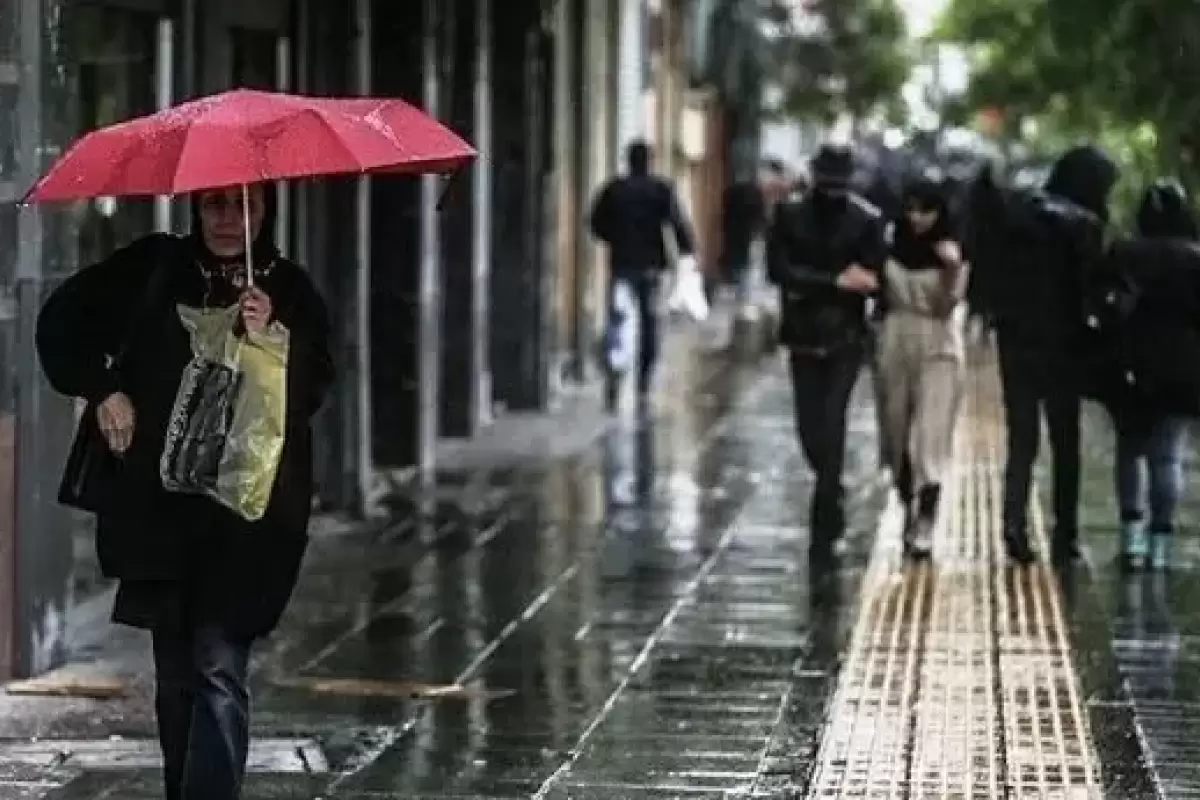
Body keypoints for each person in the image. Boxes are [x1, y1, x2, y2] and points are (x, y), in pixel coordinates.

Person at [36, 183, 333, 800]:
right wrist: (103, 389)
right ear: (196, 209)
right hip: (159, 514)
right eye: (214, 205)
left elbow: (312, 392)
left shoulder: (289, 290)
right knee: (175, 676)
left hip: (247, 519)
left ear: (266, 211)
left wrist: (271, 339)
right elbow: (61, 323)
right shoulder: (156, 267)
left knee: (218, 666)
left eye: (243, 206)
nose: (227, 219)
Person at [968, 145, 1117, 564]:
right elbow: (1092, 289)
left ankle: (1013, 524)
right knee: (1065, 439)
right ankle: (1064, 534)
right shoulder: (1084, 224)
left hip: (1015, 338)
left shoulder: (1018, 210)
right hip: (1064, 344)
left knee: (1022, 435)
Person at [767, 143, 887, 557]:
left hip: (846, 336)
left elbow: (874, 275)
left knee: (833, 418)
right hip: (802, 331)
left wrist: (863, 283)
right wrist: (834, 281)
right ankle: (831, 482)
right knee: (808, 426)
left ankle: (826, 512)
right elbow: (778, 270)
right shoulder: (789, 214)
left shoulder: (866, 219)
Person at [1086, 180, 1200, 570]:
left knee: (1129, 451)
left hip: (1130, 364)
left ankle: (1132, 539)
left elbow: (1099, 302)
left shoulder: (1124, 253)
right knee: (1168, 457)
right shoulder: (1194, 258)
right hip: (1185, 370)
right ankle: (1162, 544)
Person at [876, 177, 967, 559]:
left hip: (939, 344)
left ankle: (927, 517)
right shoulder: (886, 244)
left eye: (926, 210)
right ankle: (905, 497)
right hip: (895, 339)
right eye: (911, 209)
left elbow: (951, 302)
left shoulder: (953, 249)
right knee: (896, 432)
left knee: (931, 433)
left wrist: (950, 269)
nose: (917, 218)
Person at [589, 139, 698, 412]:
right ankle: (643, 384)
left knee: (618, 323)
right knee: (649, 326)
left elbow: (595, 223)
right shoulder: (660, 189)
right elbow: (677, 222)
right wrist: (688, 250)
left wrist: (613, 238)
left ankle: (614, 379)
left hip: (622, 264)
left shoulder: (615, 189)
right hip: (651, 268)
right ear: (649, 161)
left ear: (628, 160)